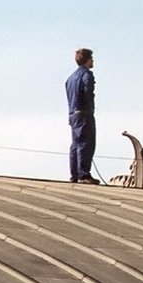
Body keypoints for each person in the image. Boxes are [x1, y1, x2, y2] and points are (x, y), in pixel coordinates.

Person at [65, 48, 98, 185]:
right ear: (87, 60)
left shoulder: (70, 78)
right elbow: (88, 91)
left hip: (73, 114)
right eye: (92, 58)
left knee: (75, 144)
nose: (93, 61)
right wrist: (89, 105)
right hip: (84, 113)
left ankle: (75, 174)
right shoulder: (87, 75)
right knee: (86, 143)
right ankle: (83, 175)